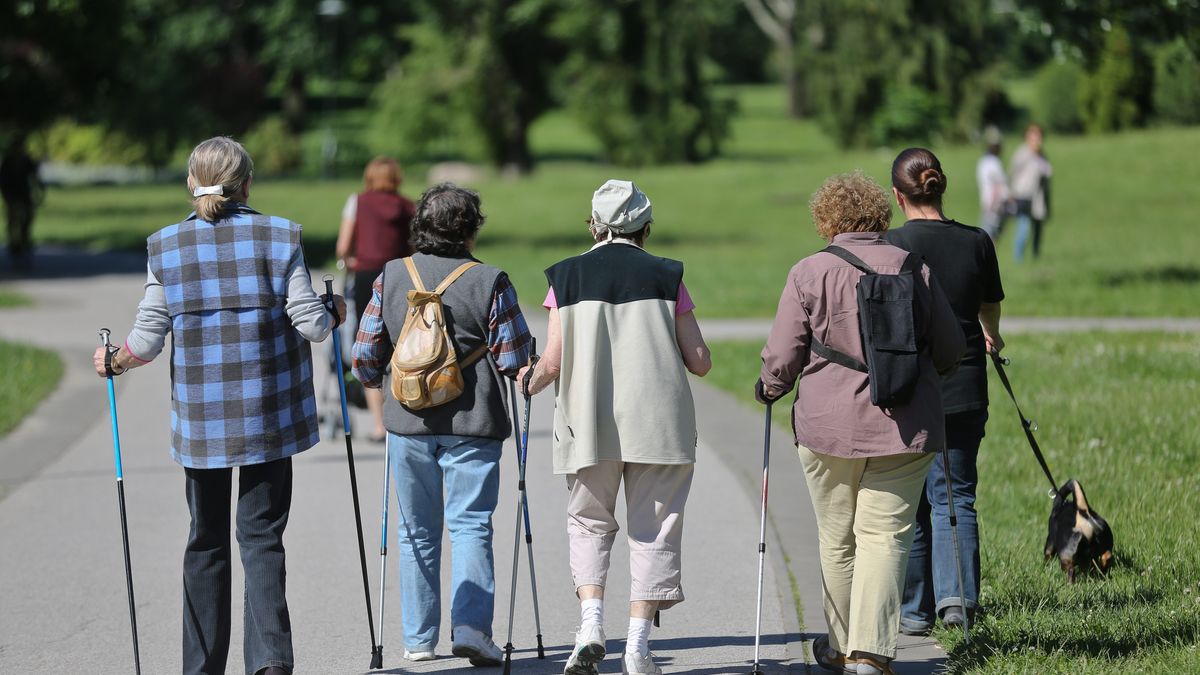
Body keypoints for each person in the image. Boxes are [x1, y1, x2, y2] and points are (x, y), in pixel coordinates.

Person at [91, 136, 346, 675]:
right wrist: (335, 309)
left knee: (205, 541)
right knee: (261, 538)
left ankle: (201, 667)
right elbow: (314, 325)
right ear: (247, 184)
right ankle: (270, 663)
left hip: (202, 423)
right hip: (270, 418)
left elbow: (148, 338)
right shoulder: (280, 236)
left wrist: (115, 361)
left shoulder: (166, 246)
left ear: (192, 184)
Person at [757, 172, 964, 675]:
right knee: (886, 537)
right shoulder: (915, 268)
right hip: (905, 426)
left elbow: (783, 357)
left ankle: (842, 646)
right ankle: (871, 654)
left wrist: (768, 387)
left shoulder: (809, 272)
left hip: (827, 429)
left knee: (837, 538)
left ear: (826, 219)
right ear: (881, 214)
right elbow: (952, 350)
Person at [519, 179, 711, 675]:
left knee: (588, 522)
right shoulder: (668, 276)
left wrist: (528, 379)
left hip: (587, 422)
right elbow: (700, 361)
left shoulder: (565, 277)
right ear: (646, 228)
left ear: (593, 226)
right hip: (658, 424)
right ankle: (638, 648)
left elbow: (552, 362)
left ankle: (589, 624)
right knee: (654, 528)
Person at [351, 182, 533, 666]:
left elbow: (366, 356)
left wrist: (380, 377)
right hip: (474, 422)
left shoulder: (391, 275)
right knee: (471, 525)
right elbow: (516, 357)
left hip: (408, 424)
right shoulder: (490, 279)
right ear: (472, 230)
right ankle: (472, 629)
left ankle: (418, 639)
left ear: (419, 228)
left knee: (415, 532)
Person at [884, 148, 1005, 636]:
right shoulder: (977, 241)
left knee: (913, 501)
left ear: (898, 195)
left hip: (908, 387)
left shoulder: (890, 245)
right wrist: (992, 333)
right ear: (941, 186)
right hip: (965, 382)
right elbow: (989, 310)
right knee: (957, 493)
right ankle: (959, 601)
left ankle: (915, 610)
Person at [336, 155, 416, 442]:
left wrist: (353, 258)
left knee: (369, 341)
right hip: (401, 276)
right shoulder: (408, 207)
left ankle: (378, 424)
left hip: (367, 276)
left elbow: (343, 246)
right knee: (402, 342)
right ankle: (405, 412)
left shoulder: (357, 202)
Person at [1009, 123, 1052, 262]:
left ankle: (1035, 257)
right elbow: (1012, 173)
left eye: (1039, 136)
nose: (1037, 139)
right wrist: (1012, 191)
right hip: (1024, 196)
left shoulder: (1042, 156)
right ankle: (1018, 258)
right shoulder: (1022, 153)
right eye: (1034, 136)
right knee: (1024, 228)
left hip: (1039, 197)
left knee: (1038, 229)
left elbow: (1047, 175)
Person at [0, 134, 43, 266]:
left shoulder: (27, 160)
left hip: (25, 195)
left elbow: (35, 177)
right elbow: (2, 180)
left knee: (26, 221)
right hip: (12, 195)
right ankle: (15, 247)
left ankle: (25, 244)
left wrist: (40, 190)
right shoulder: (8, 161)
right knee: (13, 223)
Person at [975, 126, 1009, 242]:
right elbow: (998, 185)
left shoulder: (982, 162)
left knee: (988, 232)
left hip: (986, 201)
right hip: (994, 203)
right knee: (990, 235)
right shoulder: (994, 163)